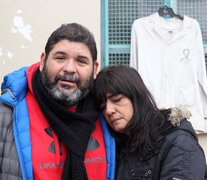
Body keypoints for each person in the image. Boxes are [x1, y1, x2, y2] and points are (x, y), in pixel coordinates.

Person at [0, 23, 115, 180]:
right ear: (43, 61)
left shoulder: (110, 113)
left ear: (94, 69)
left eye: (81, 61)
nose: (69, 68)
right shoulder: (7, 112)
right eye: (60, 58)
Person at [94, 65, 207, 180]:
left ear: (137, 97)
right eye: (103, 107)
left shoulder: (177, 143)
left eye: (117, 100)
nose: (108, 110)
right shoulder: (118, 147)